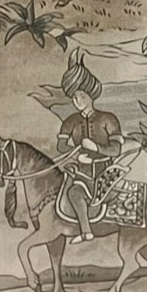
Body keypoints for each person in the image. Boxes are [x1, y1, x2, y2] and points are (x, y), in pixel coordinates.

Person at [56, 54, 124, 245]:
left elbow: (116, 149)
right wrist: (78, 154)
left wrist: (96, 148)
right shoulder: (70, 122)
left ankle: (87, 232)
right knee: (71, 192)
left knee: (76, 194)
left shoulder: (108, 119)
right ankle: (86, 231)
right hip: (81, 171)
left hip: (105, 171)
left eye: (82, 96)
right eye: (74, 97)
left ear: (91, 96)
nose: (77, 101)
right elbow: (61, 145)